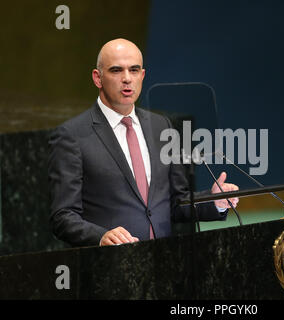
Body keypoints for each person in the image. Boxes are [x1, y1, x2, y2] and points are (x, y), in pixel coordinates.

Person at [48, 38, 239, 247]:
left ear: (143, 75)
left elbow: (176, 203)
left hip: (164, 262)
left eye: (134, 70)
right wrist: (101, 236)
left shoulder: (161, 126)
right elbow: (63, 217)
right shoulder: (72, 135)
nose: (127, 79)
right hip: (109, 266)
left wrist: (212, 201)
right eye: (116, 70)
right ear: (97, 78)